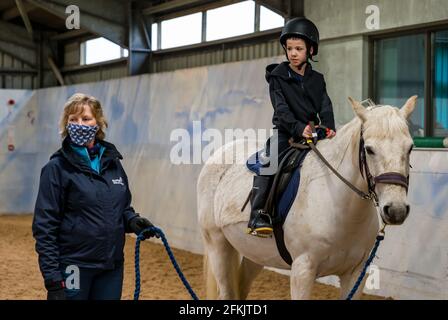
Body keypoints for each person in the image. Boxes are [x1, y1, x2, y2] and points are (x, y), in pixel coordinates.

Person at [32, 93, 157, 300]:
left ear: (98, 123)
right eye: (73, 120)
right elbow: (44, 227)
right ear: (66, 125)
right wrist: (53, 280)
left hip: (111, 266)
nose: (79, 124)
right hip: (74, 266)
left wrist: (132, 220)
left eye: (86, 119)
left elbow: (121, 207)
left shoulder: (113, 163)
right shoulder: (56, 168)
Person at [247, 17, 337, 237]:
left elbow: (325, 105)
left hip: (312, 132)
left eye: (299, 48)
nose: (293, 53)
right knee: (270, 162)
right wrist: (299, 128)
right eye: (289, 49)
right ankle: (258, 213)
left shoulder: (317, 79)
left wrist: (328, 126)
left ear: (311, 50)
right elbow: (281, 111)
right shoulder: (277, 77)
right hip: (286, 132)